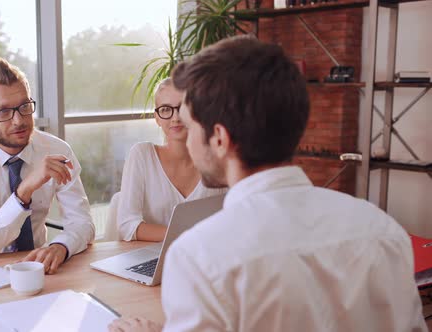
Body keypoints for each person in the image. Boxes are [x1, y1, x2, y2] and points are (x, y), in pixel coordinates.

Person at [109, 37, 425, 331]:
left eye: (191, 127)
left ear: (219, 139)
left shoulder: (200, 258)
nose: (187, 140)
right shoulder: (383, 230)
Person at [0, 56, 94, 274]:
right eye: (4, 112)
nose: (19, 121)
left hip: (35, 266)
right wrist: (25, 190)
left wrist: (61, 246)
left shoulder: (58, 151)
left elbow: (83, 223)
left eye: (25, 106)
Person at [116, 78, 226, 242]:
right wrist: (185, 238)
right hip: (153, 259)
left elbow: (233, 215)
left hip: (207, 259)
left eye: (182, 108)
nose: (175, 117)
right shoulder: (142, 155)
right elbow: (127, 225)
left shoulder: (218, 158)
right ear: (157, 118)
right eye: (166, 109)